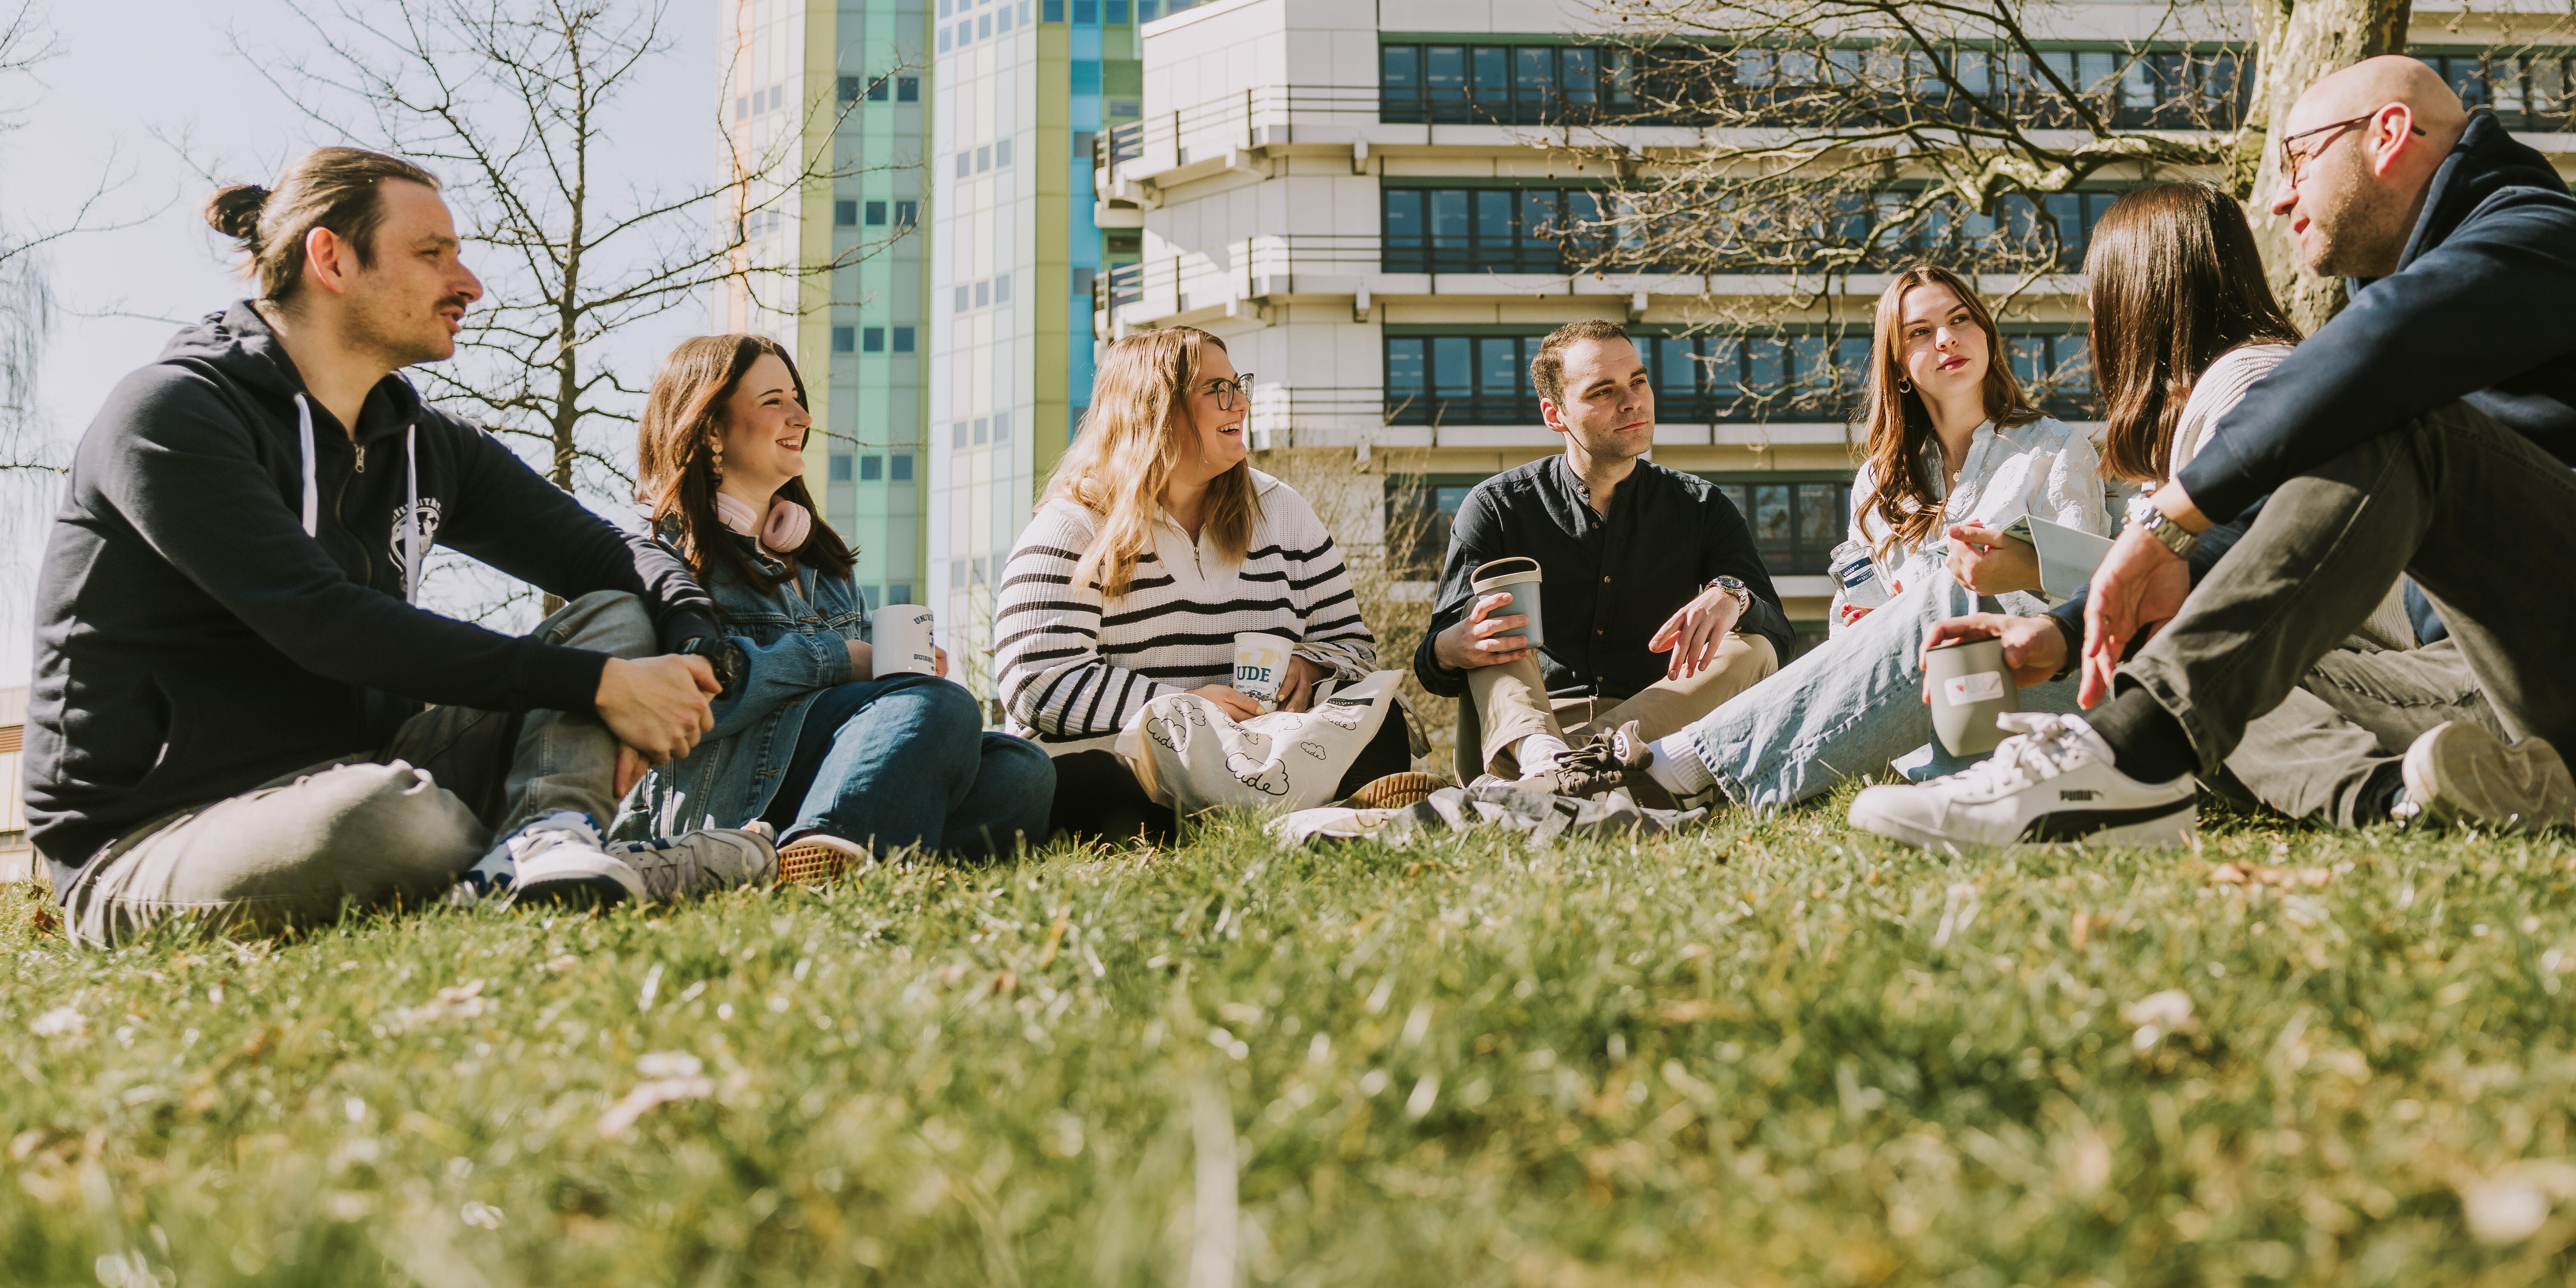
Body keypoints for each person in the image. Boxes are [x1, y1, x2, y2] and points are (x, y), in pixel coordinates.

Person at [1859, 55, 2576, 852]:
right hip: (2520, 695)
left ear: (2389, 134)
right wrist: (2073, 629)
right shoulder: (2399, 307)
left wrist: (2168, 515)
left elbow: (2378, 371)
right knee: (2193, 638)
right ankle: (2398, 802)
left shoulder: (2539, 238)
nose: (2280, 201)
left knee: (2392, 414)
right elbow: (2255, 529)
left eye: (2295, 161)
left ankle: (2126, 762)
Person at [22, 150, 773, 947]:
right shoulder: (173, 414)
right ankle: (589, 863)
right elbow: (325, 621)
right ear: (331, 258)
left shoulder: (420, 442)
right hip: (158, 835)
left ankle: (548, 843)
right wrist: (597, 685)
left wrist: (698, 644)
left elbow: (610, 554)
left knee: (615, 613)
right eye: (432, 254)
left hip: (376, 766)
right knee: (394, 825)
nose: (469, 284)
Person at [1622, 262, 2130, 810]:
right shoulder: (1878, 480)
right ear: (1900, 365)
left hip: (2033, 686)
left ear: (1986, 334)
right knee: (1927, 610)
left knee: (1946, 603)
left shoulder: (2054, 449)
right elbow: (1849, 615)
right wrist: (1871, 621)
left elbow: (2090, 593)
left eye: (1961, 319)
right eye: (1920, 331)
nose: (1947, 338)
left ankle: (1681, 765)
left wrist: (2012, 573)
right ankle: (1695, 779)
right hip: (1912, 706)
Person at [611, 333, 1055, 884]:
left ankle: (861, 867)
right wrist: (844, 660)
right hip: (727, 806)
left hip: (829, 775)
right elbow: (689, 700)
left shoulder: (822, 564)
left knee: (1018, 765)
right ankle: (825, 864)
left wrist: (900, 672)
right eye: (773, 401)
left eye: (798, 398)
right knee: (937, 707)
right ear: (710, 428)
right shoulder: (659, 559)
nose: (801, 416)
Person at [992, 328, 1382, 838]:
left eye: (1239, 384)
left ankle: (1264, 815)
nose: (1239, 402)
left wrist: (1310, 665)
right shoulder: (1074, 525)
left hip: (1262, 752)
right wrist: (1184, 708)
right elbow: (1036, 682)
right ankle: (1299, 815)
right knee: (1086, 782)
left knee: (1384, 715)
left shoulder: (1282, 511)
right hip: (1133, 767)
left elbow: (1354, 646)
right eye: (1217, 389)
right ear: (1154, 410)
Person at [1416, 320, 1795, 783]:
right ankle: (1547, 757)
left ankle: (1562, 772)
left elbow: (1779, 637)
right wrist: (1453, 646)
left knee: (1753, 644)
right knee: (1496, 620)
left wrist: (1731, 595)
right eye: (1602, 391)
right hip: (1523, 730)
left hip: (1657, 727)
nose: (1631, 400)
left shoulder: (1700, 506)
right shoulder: (1496, 507)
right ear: (1555, 415)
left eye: (1638, 381)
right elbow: (1433, 667)